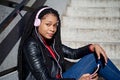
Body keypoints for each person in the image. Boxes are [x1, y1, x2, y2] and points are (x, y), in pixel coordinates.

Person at [17, 5, 120, 80]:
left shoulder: (51, 43)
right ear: (37, 23)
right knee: (94, 58)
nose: (52, 29)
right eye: (48, 24)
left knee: (95, 57)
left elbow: (73, 53)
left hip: (62, 77)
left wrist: (92, 46)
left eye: (55, 25)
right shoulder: (31, 45)